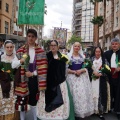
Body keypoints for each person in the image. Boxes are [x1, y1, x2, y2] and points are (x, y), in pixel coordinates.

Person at [12, 29, 48, 120]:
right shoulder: (20, 50)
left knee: (33, 100)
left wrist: (32, 73)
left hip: (34, 79)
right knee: (22, 101)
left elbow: (44, 67)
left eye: (33, 36)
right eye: (29, 36)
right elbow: (13, 65)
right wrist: (21, 61)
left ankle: (35, 118)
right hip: (22, 79)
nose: (30, 38)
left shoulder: (40, 51)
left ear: (35, 38)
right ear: (27, 37)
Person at [37, 40, 75, 120]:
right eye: (51, 45)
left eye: (55, 45)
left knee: (62, 103)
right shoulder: (46, 56)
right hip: (49, 83)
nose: (53, 47)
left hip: (60, 83)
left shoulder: (63, 57)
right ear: (50, 46)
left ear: (58, 47)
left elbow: (66, 70)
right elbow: (42, 69)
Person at [66, 42, 94, 118]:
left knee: (81, 95)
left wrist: (81, 71)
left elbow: (86, 68)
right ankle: (73, 113)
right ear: (73, 47)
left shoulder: (83, 57)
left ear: (80, 48)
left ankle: (81, 113)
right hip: (72, 79)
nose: (77, 48)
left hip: (81, 79)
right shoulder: (68, 56)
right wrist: (74, 72)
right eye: (75, 46)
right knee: (73, 95)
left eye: (78, 46)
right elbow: (65, 69)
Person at [0, 40, 19, 120]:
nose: (9, 49)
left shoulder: (16, 57)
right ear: (5, 48)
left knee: (12, 103)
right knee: (3, 102)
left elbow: (18, 72)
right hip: (3, 84)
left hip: (13, 84)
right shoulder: (1, 57)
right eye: (7, 47)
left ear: (13, 47)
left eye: (11, 47)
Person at [90, 47, 110, 120]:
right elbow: (88, 69)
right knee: (92, 94)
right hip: (93, 80)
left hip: (101, 81)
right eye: (96, 52)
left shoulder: (104, 60)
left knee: (101, 95)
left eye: (99, 52)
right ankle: (92, 110)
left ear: (101, 52)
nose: (97, 53)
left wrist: (101, 74)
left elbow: (108, 70)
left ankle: (100, 111)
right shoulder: (91, 59)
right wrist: (93, 73)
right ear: (94, 52)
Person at [104, 37, 120, 119]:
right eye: (113, 44)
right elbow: (103, 63)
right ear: (111, 45)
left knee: (118, 93)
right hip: (110, 76)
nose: (114, 45)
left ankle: (118, 110)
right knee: (110, 92)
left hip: (118, 77)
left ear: (119, 45)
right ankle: (109, 107)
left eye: (116, 44)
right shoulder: (107, 53)